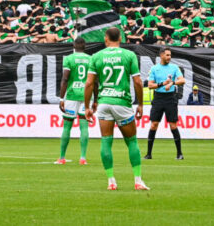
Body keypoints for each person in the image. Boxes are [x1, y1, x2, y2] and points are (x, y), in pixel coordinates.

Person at [84, 27, 149, 191]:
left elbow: (89, 83)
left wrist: (87, 107)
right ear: (120, 38)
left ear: (106, 39)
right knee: (132, 141)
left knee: (106, 141)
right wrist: (140, 104)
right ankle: (138, 180)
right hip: (122, 102)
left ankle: (111, 181)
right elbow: (138, 82)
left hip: (104, 103)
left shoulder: (96, 56)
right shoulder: (129, 55)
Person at [55, 35, 91, 165]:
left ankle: (62, 157)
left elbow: (65, 79)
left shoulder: (69, 59)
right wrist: (96, 98)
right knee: (84, 127)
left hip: (71, 95)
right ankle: (83, 157)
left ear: (74, 46)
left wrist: (61, 98)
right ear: (85, 47)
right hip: (86, 96)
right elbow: (95, 81)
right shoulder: (90, 59)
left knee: (67, 126)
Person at [144, 47, 185, 160]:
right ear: (161, 55)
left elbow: (182, 80)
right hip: (158, 98)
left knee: (173, 125)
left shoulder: (174, 67)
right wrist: (163, 84)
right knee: (154, 125)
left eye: (170, 55)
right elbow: (150, 85)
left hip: (170, 98)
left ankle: (179, 154)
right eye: (167, 55)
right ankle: (148, 154)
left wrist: (171, 83)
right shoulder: (154, 68)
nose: (169, 57)